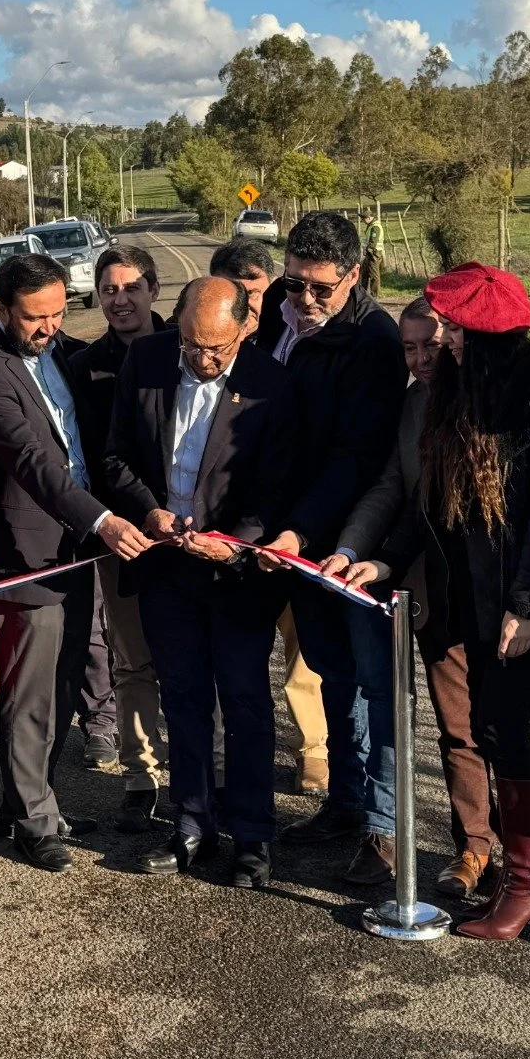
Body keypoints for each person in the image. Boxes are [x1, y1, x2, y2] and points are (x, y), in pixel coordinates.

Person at [346, 262, 530, 942]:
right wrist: (386, 558)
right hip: (472, 597)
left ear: (480, 331)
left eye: (451, 331)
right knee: (496, 730)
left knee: (506, 730)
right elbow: (432, 505)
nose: (442, 342)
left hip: (525, 600)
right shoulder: (458, 391)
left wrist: (527, 601)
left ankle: (523, 888)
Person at [0, 252, 152, 872]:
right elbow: (35, 466)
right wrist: (103, 520)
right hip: (29, 554)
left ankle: (32, 803)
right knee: (32, 693)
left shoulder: (62, 351)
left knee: (65, 683)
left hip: (75, 550)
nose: (48, 327)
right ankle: (32, 823)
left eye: (57, 311)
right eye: (33, 317)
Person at [104, 277, 294, 887]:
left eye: (216, 349)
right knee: (182, 699)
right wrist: (150, 510)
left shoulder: (271, 383)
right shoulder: (147, 359)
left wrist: (236, 542)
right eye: (190, 346)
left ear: (245, 329)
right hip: (166, 565)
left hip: (235, 570)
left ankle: (252, 834)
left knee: (244, 701)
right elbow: (115, 457)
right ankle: (191, 821)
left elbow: (277, 486)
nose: (202, 360)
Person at [317, 298, 500, 897]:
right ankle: (390, 832)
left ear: (456, 344)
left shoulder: (483, 402)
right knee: (401, 706)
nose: (421, 359)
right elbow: (394, 485)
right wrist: (350, 548)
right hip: (412, 584)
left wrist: (386, 555)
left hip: (473, 588)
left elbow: (444, 506)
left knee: (472, 724)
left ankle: (482, 847)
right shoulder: (412, 402)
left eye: (432, 346)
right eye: (410, 348)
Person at [253, 213, 407, 879]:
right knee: (331, 677)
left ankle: (384, 829)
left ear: (354, 275)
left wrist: (302, 531)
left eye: (322, 289)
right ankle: (345, 804)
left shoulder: (373, 339)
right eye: (295, 285)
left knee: (374, 682)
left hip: (346, 540)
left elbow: (356, 456)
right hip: (287, 538)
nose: (305, 301)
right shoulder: (273, 311)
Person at [209, 236, 326, 796]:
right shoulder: (205, 344)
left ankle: (313, 751)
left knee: (302, 648)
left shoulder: (289, 327)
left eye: (256, 293)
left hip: (293, 523)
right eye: (239, 296)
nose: (250, 307)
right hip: (233, 529)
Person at [67, 245, 167, 832]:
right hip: (120, 534)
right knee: (131, 660)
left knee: (188, 661)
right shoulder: (85, 367)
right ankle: (140, 775)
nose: (120, 299)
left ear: (153, 291)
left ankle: (200, 771)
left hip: (183, 532)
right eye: (109, 289)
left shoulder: (186, 348)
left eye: (131, 287)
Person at [207, 237, 276, 337]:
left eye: (250, 294)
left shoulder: (289, 337)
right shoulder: (188, 336)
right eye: (229, 294)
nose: (241, 305)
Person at [359, 210, 385, 297]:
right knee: (364, 273)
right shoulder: (371, 226)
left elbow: (373, 242)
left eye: (364, 219)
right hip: (369, 253)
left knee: (374, 275)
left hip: (374, 253)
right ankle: (363, 294)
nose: (363, 221)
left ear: (369, 217)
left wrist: (368, 250)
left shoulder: (375, 227)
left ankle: (374, 296)